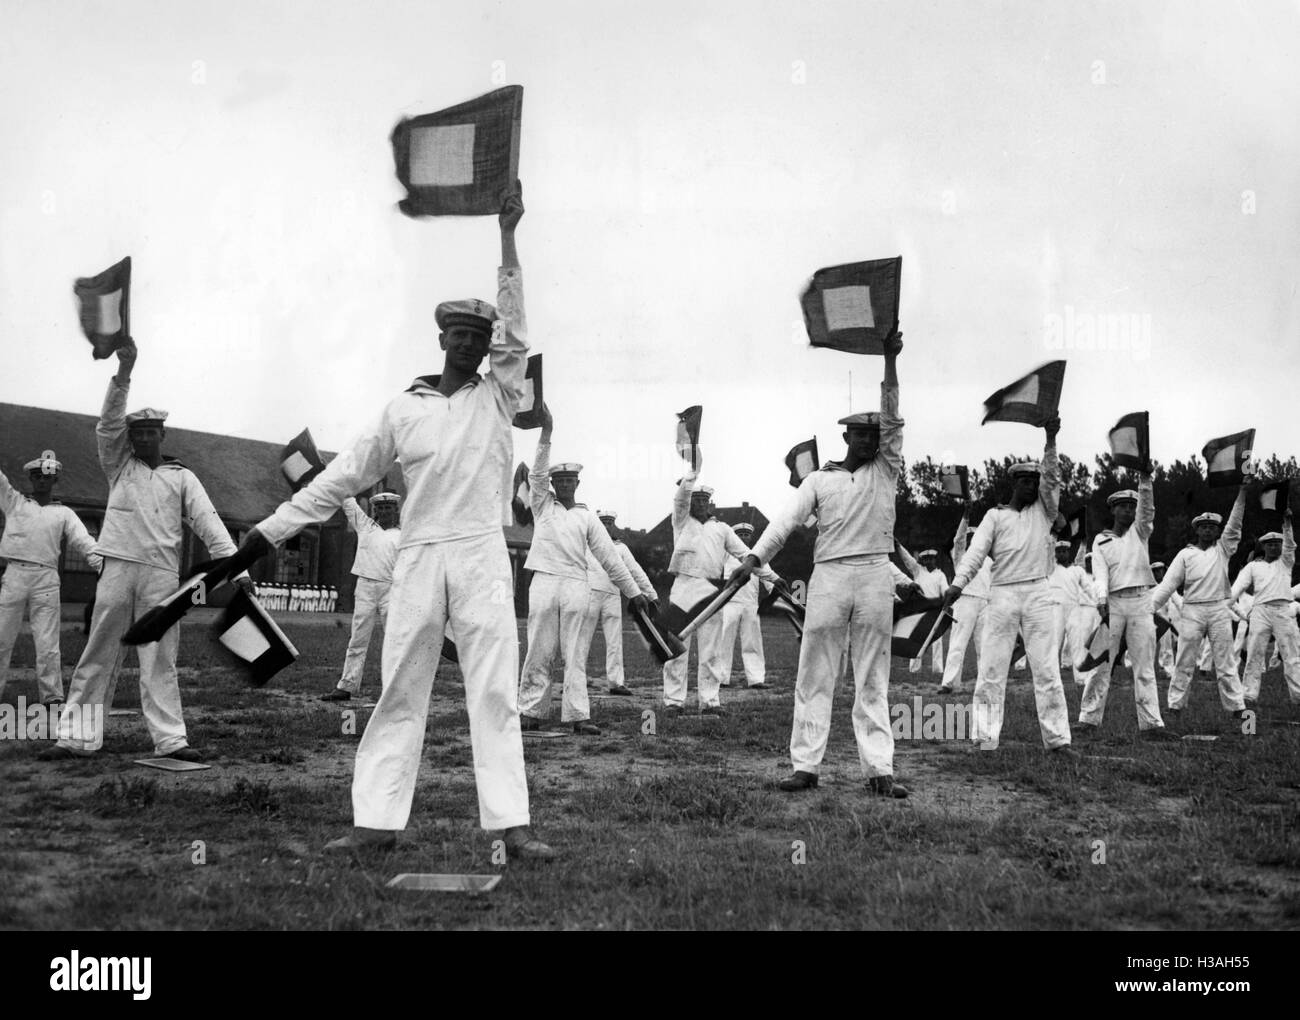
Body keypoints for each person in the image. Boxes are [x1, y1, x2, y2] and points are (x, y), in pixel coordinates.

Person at [231, 191, 557, 859]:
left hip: (482, 555)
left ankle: (512, 828)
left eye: (480, 336)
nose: (469, 344)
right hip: (417, 555)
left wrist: (507, 236)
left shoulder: (499, 392)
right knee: (400, 688)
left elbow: (519, 326)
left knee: (494, 690)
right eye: (458, 335)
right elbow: (339, 478)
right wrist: (269, 530)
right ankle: (375, 825)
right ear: (441, 339)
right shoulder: (401, 410)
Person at [42, 341, 251, 762]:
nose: (141, 438)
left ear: (162, 435)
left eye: (149, 432)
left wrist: (238, 570)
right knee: (99, 648)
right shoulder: (119, 465)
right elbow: (107, 423)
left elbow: (209, 522)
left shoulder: (182, 477)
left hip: (160, 575)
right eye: (136, 433)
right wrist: (125, 371)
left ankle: (171, 740)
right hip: (118, 568)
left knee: (159, 657)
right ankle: (75, 738)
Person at [730, 331, 911, 796]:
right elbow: (786, 522)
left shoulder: (887, 470)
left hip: (874, 573)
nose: (872, 439)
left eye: (877, 434)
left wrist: (889, 360)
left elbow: (894, 415)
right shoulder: (817, 480)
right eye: (863, 433)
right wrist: (753, 558)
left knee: (873, 678)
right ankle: (805, 768)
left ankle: (880, 772)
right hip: (829, 575)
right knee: (815, 673)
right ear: (846, 435)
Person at [942, 416, 1075, 756]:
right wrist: (957, 585)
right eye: (1026, 481)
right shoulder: (995, 516)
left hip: (1038, 593)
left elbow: (1053, 478)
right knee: (991, 669)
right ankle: (985, 737)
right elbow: (974, 555)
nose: (1033, 486)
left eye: (1036, 481)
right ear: (1014, 483)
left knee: (1046, 670)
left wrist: (1050, 439)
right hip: (1000, 594)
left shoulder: (1045, 512)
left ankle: (1058, 741)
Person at [517, 409, 652, 735]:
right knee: (539, 648)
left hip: (577, 584)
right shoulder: (541, 504)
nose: (564, 485)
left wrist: (635, 593)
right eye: (558, 480)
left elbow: (610, 558)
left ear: (577, 483)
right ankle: (531, 711)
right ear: (552, 484)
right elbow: (535, 474)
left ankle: (578, 715)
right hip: (544, 580)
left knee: (575, 652)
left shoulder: (588, 518)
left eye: (569, 480)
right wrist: (546, 432)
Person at [0, 450, 101, 705]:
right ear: (31, 480)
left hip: (46, 578)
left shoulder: (64, 513)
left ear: (55, 480)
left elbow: (84, 541)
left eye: (47, 477)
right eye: (37, 477)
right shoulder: (14, 502)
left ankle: (52, 698)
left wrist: (104, 567)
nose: (41, 481)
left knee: (47, 643)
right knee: (1, 638)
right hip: (14, 575)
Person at [1077, 481, 1175, 738]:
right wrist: (1101, 601)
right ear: (1113, 510)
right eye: (1122, 507)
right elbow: (1099, 574)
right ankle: (1088, 719)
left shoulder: (1140, 532)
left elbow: (1148, 512)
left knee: (1144, 665)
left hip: (1141, 601)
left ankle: (1152, 725)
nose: (1128, 512)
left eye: (1132, 507)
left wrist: (1145, 480)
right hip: (1114, 602)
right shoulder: (1101, 540)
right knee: (1101, 663)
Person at [1150, 485, 1249, 718]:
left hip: (1218, 608)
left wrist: (1243, 492)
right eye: (1203, 527)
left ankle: (1237, 708)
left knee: (1225, 661)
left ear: (1217, 532)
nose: (1207, 531)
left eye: (1212, 528)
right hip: (1192, 609)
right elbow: (1168, 584)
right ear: (1197, 531)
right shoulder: (1186, 554)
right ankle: (1175, 705)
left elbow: (1234, 524)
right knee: (1184, 659)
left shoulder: (1223, 550)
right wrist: (1148, 608)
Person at [662, 471, 752, 717]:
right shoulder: (680, 521)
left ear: (710, 503)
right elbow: (679, 500)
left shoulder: (722, 529)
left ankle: (710, 701)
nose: (699, 503)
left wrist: (773, 578)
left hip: (712, 591)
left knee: (711, 649)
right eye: (695, 499)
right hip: (683, 586)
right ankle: (673, 701)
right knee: (676, 647)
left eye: (704, 500)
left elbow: (747, 556)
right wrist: (691, 474)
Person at [321, 493, 401, 702]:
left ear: (396, 511)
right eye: (380, 509)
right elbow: (348, 502)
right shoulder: (366, 527)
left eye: (388, 508)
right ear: (375, 511)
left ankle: (395, 689)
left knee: (394, 639)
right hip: (365, 587)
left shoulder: (403, 535)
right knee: (358, 638)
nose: (384, 512)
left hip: (390, 589)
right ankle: (346, 686)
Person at [578, 510, 657, 696]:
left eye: (609, 522)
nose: (606, 526)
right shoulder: (586, 545)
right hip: (590, 593)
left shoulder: (620, 548)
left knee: (615, 641)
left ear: (613, 525)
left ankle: (616, 683)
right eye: (602, 522)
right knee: (582, 639)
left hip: (612, 595)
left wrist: (651, 594)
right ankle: (576, 681)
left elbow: (635, 571)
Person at [1232, 511, 1300, 706]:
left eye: (1276, 544)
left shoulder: (1286, 562)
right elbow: (1237, 588)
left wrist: (1287, 522)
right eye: (1269, 544)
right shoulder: (1253, 567)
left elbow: (1290, 545)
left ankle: (1298, 696)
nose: (1273, 546)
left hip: (1283, 609)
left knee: (1292, 655)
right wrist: (1232, 608)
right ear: (1263, 547)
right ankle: (1249, 695)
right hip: (1260, 610)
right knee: (1254, 653)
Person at [717, 522, 783, 689]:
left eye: (747, 534)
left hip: (751, 605)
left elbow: (769, 578)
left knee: (752, 642)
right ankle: (720, 677)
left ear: (750, 537)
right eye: (740, 534)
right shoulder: (726, 554)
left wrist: (775, 589)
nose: (744, 537)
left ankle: (756, 679)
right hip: (730, 602)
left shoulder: (757, 557)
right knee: (724, 639)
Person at [938, 514, 990, 695]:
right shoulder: (960, 556)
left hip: (985, 603)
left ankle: (985, 684)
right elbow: (958, 540)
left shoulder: (989, 560)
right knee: (957, 644)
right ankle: (949, 683)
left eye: (974, 538)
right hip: (965, 599)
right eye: (969, 538)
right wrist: (966, 518)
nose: (970, 541)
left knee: (984, 646)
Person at [897, 544, 947, 676]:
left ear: (935, 559)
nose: (929, 561)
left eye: (931, 559)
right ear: (923, 561)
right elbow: (907, 559)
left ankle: (938, 670)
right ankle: (914, 669)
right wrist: (898, 546)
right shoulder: (918, 571)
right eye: (926, 559)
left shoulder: (940, 575)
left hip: (935, 611)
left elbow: (945, 591)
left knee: (937, 642)